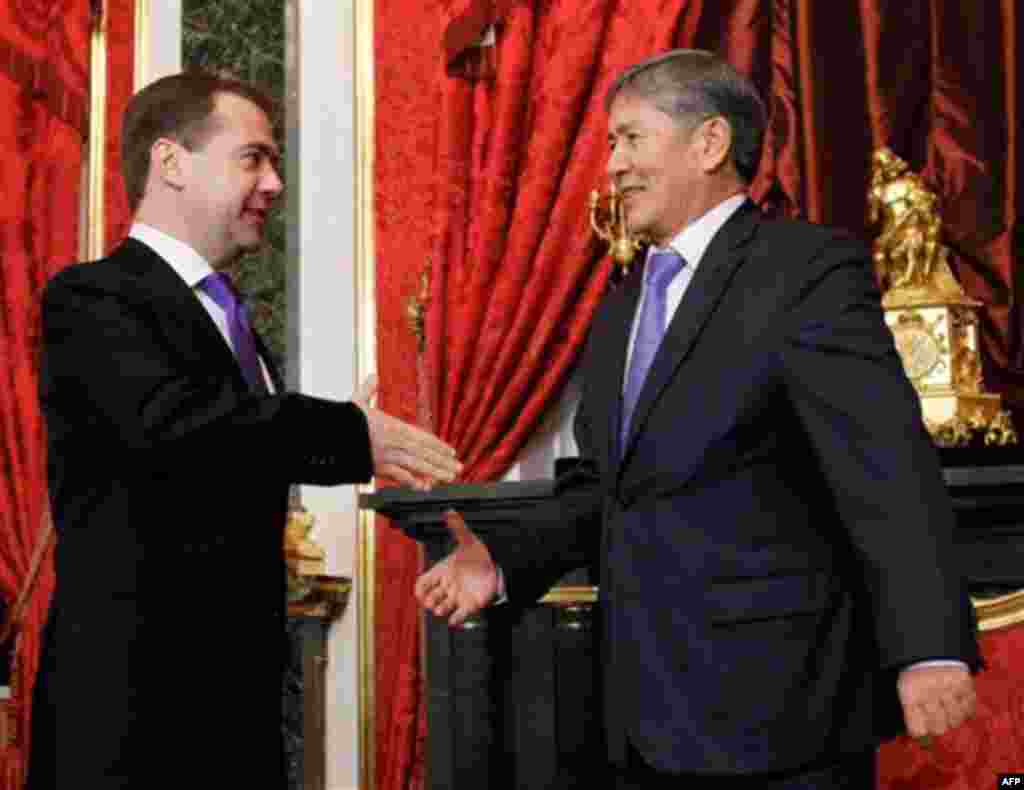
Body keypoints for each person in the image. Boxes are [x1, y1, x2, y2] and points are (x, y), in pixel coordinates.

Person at [415, 50, 980, 789]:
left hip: (784, 717)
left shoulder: (801, 269)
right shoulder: (622, 302)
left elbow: (884, 465)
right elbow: (609, 488)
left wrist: (929, 648)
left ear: (709, 144)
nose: (612, 165)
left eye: (630, 139)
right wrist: (503, 559)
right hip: (641, 721)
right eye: (610, 143)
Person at [27, 72, 461, 789]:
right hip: (132, 724)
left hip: (233, 715)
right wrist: (344, 432)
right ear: (170, 162)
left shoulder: (230, 320)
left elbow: (226, 453)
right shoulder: (93, 296)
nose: (275, 184)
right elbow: (180, 427)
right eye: (253, 157)